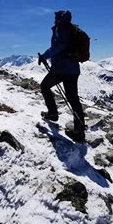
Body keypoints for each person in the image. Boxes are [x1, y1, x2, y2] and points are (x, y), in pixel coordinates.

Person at [38, 10, 86, 142]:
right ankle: (79, 131)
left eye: (56, 17)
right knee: (73, 99)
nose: (54, 19)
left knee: (44, 86)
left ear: (60, 19)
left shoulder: (62, 29)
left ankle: (53, 113)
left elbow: (58, 46)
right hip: (73, 69)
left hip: (61, 69)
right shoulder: (72, 30)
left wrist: (44, 56)